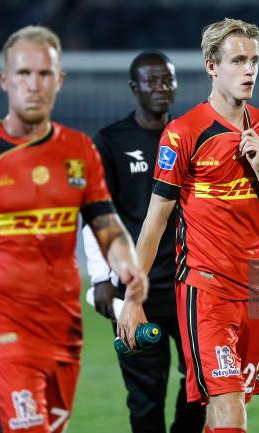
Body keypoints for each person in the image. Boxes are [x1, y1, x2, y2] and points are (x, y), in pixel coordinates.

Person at [0, 26, 148, 433]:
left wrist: (126, 263)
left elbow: (106, 223)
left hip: (65, 329)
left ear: (59, 81)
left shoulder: (79, 152)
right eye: (23, 73)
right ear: (5, 80)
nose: (34, 85)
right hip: (3, 328)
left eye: (44, 74)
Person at [118, 18, 259, 433]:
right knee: (230, 404)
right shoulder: (183, 133)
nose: (249, 70)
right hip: (206, 287)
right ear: (211, 65)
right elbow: (155, 220)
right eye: (238, 60)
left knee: (223, 407)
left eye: (254, 61)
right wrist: (133, 298)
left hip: (255, 286)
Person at [82, 50, 205, 433]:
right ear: (134, 87)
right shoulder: (110, 142)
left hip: (192, 284)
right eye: (151, 81)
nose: (161, 87)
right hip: (136, 288)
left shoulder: (192, 136)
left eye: (167, 79)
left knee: (201, 387)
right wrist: (101, 278)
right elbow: (94, 215)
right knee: (145, 396)